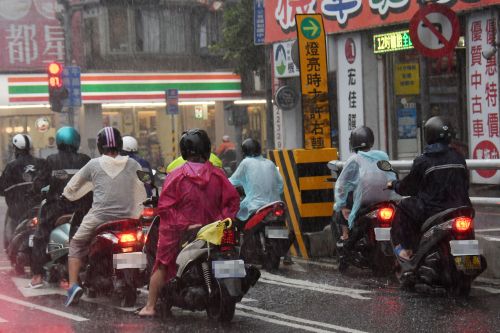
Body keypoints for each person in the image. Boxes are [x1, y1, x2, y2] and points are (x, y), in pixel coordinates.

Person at [138, 129, 239, 317]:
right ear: (207, 149)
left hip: (181, 232)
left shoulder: (175, 176)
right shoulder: (218, 175)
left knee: (162, 263)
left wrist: (185, 225)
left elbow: (166, 209)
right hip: (214, 231)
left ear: (184, 151)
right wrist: (221, 221)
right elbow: (232, 201)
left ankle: (150, 306)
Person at [62, 127, 147, 306]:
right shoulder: (133, 164)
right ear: (120, 144)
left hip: (100, 218)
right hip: (128, 220)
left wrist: (67, 196)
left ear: (100, 146)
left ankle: (72, 286)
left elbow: (71, 188)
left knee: (76, 243)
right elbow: (143, 187)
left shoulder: (93, 164)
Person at [389, 117, 471, 261]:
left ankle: (405, 250)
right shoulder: (459, 157)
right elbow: (465, 183)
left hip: (432, 210)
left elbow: (408, 188)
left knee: (404, 205)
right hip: (460, 207)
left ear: (428, 135)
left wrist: (394, 185)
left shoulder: (424, 160)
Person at [29, 127, 91, 288]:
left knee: (40, 236)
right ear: (76, 141)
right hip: (82, 209)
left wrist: (38, 191)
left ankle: (37, 274)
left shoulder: (51, 160)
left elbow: (39, 184)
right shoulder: (85, 160)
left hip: (57, 208)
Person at [333, 126, 396, 243]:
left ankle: (346, 235)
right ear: (371, 141)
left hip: (364, 202)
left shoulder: (354, 159)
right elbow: (392, 177)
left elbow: (341, 185)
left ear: (352, 143)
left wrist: (341, 205)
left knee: (341, 207)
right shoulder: (382, 156)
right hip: (385, 201)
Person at [0, 134, 48, 250]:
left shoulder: (11, 166)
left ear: (15, 148)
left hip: (18, 211)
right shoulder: (41, 163)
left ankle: (13, 250)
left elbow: (2, 189)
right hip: (40, 209)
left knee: (11, 237)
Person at [228, 138, 284, 222]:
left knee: (235, 220)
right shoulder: (270, 163)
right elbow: (280, 185)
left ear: (244, 152)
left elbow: (231, 182)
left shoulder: (246, 162)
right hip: (275, 204)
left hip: (255, 206)